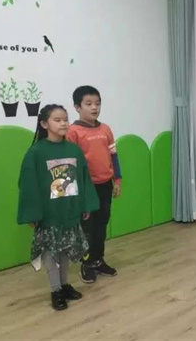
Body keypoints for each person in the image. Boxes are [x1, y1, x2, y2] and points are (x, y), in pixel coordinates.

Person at [17, 104, 99, 310]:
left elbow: (83, 179)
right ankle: (55, 291)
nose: (63, 123)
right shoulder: (36, 152)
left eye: (65, 119)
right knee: (51, 254)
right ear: (44, 124)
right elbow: (28, 184)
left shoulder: (73, 150)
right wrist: (33, 213)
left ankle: (64, 285)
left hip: (69, 211)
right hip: (49, 214)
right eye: (57, 120)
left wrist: (85, 205)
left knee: (65, 251)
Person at [66, 86, 122, 283]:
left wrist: (117, 180)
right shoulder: (72, 132)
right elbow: (69, 165)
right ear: (77, 107)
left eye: (97, 103)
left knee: (101, 225)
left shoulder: (105, 129)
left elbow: (114, 156)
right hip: (85, 189)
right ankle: (87, 263)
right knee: (86, 228)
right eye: (88, 104)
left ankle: (98, 260)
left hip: (105, 185)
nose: (94, 108)